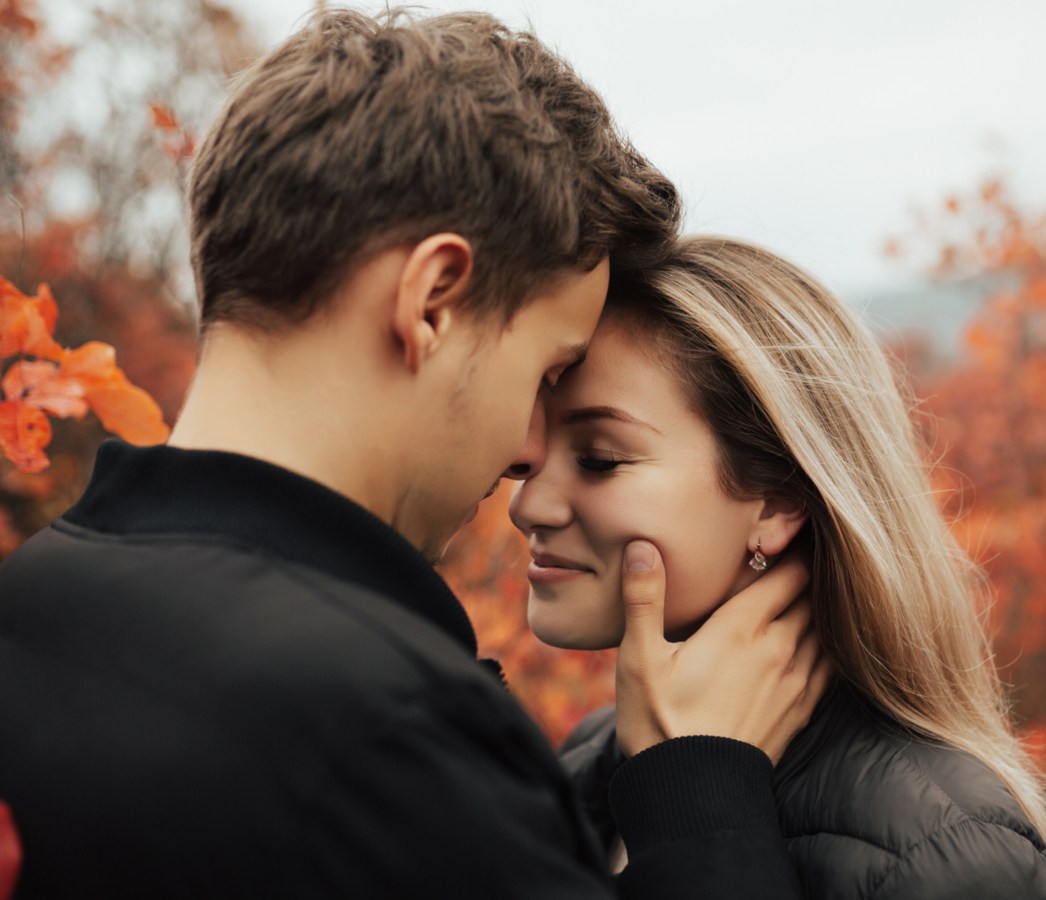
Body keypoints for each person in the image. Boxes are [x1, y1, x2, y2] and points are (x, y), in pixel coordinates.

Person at [0, 11, 827, 899]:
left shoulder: (33, 598)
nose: (527, 452)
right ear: (432, 300)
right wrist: (705, 826)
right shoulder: (388, 738)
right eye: (545, 365)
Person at [509, 235, 1046, 899]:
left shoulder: (946, 852)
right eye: (532, 454)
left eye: (600, 458)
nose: (528, 505)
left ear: (779, 500)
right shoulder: (593, 756)